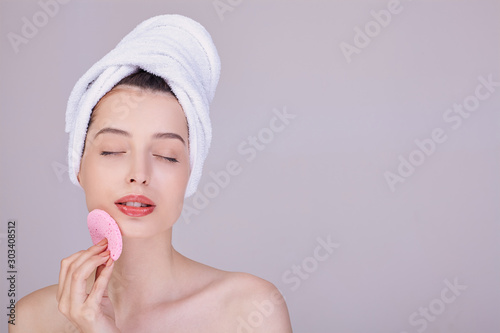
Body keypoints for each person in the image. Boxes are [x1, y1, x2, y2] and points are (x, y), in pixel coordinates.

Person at [11, 15, 292, 333]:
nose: (139, 174)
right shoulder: (31, 319)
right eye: (113, 150)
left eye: (166, 155)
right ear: (78, 166)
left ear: (190, 174)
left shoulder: (251, 309)